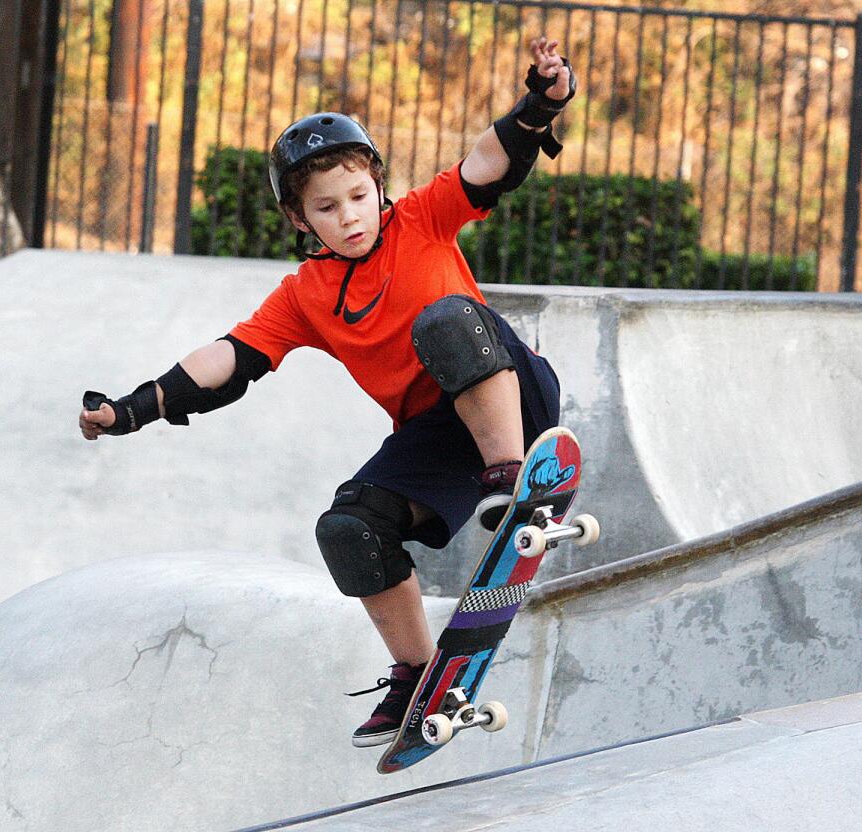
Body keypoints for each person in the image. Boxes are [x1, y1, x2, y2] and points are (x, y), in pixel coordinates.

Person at [79, 37, 576, 747]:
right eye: (327, 207)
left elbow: (487, 163)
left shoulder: (424, 218)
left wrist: (542, 104)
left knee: (443, 321)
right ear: (300, 219)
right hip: (438, 437)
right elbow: (229, 358)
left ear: (378, 186)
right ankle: (419, 677)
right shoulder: (306, 295)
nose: (350, 216)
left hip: (510, 393)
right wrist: (135, 407)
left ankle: (517, 478)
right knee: (350, 528)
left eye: (358, 197)